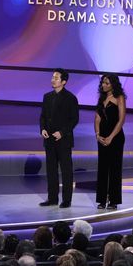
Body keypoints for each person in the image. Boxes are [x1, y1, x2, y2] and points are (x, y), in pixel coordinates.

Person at [39, 68, 79, 208]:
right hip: (49, 139)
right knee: (51, 170)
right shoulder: (47, 96)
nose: (53, 80)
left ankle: (66, 200)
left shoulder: (71, 98)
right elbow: (43, 116)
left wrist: (62, 132)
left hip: (63, 140)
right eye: (52, 77)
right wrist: (43, 129)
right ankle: (52, 198)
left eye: (56, 78)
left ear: (64, 82)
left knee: (66, 171)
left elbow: (74, 120)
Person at [94, 74, 126, 210]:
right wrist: (97, 135)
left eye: (106, 83)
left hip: (116, 138)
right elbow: (97, 118)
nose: (104, 85)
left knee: (114, 169)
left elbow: (121, 120)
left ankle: (113, 200)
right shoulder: (102, 98)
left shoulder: (120, 98)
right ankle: (101, 199)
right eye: (103, 83)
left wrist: (111, 137)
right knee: (102, 168)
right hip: (102, 138)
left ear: (113, 84)